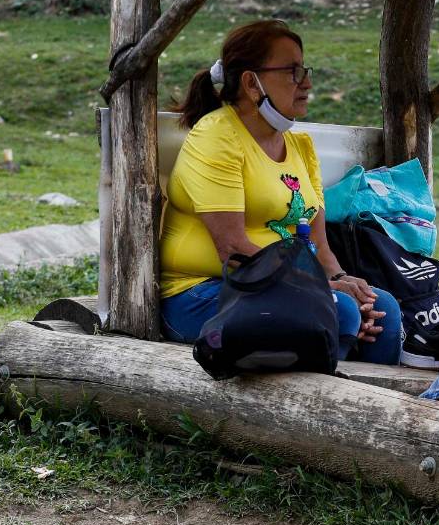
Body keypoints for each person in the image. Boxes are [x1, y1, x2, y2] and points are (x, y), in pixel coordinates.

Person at [159, 20, 403, 365]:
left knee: (381, 309)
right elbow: (232, 249)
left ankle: (374, 413)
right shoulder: (216, 139)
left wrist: (340, 279)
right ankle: (315, 411)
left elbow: (319, 246)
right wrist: (317, 290)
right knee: (340, 312)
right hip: (204, 292)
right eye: (292, 72)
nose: (307, 83)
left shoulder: (300, 147)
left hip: (279, 287)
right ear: (250, 82)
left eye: (304, 70)